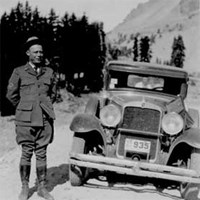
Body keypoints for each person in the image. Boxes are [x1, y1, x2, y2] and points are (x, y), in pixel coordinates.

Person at [6, 36, 56, 200]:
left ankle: (42, 187)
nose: (39, 55)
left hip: (44, 118)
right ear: (28, 53)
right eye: (35, 52)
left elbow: (53, 95)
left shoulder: (49, 72)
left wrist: (43, 107)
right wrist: (25, 108)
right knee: (26, 153)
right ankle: (25, 188)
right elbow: (11, 95)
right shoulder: (19, 71)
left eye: (41, 52)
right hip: (25, 121)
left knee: (42, 153)